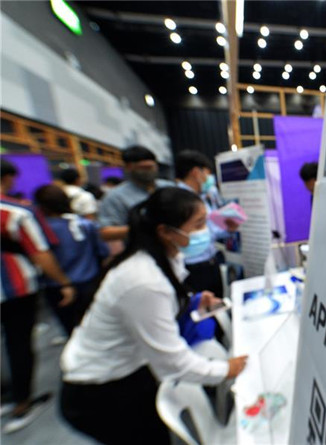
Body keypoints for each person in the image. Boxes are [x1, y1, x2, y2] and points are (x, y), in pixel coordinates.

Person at [60, 187, 248, 444]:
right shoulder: (143, 280)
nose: (205, 231)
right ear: (165, 231)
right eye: (198, 224)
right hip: (100, 389)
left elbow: (159, 306)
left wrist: (191, 302)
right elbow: (173, 362)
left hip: (131, 369)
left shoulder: (165, 257)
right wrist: (226, 369)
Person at [0, 159, 76, 434]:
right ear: (8, 178)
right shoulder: (16, 212)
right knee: (18, 342)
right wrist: (64, 282)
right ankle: (22, 401)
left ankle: (6, 396)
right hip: (16, 287)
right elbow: (40, 253)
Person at [34, 185, 109, 335]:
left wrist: (64, 283)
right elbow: (103, 252)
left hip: (58, 287)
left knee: (72, 330)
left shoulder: (40, 230)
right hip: (90, 282)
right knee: (97, 327)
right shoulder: (85, 224)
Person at [174, 151, 237, 300]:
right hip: (192, 268)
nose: (210, 179)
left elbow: (210, 230)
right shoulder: (178, 199)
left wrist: (227, 229)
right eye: (207, 174)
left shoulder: (200, 197)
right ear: (196, 172)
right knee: (201, 308)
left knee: (216, 304)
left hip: (210, 262)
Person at [98, 146, 172, 241]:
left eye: (151, 167)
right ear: (128, 168)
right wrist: (143, 228)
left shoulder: (169, 187)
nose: (149, 172)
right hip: (142, 247)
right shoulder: (115, 197)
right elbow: (105, 232)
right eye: (143, 168)